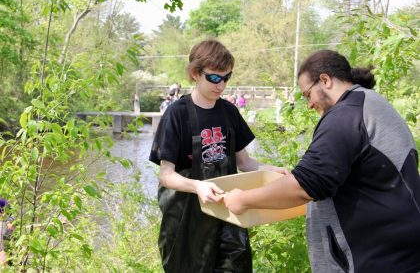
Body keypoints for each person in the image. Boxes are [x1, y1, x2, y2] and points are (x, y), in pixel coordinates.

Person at [224, 50, 420, 272]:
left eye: (308, 95)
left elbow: (306, 185)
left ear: (325, 80)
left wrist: (243, 199)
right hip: (398, 251)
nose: (308, 104)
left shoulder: (345, 117)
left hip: (371, 257)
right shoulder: (372, 103)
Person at [149, 39, 287, 272]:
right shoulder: (177, 114)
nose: (221, 85)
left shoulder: (229, 111)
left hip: (227, 214)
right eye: (214, 78)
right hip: (186, 219)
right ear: (195, 73)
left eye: (226, 78)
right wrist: (198, 187)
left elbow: (244, 162)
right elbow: (166, 176)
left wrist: (270, 170)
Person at [0, 198, 14, 266]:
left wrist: (8, 221)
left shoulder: (2, 202)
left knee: (4, 251)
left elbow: (9, 211)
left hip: (6, 225)